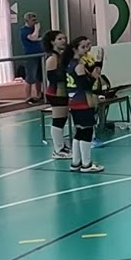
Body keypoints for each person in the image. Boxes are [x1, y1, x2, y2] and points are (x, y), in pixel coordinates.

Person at [65, 36, 104, 173]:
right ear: (75, 48)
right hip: (82, 100)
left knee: (79, 131)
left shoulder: (70, 63)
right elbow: (85, 86)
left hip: (73, 101)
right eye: (83, 47)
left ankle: (75, 162)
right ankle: (86, 164)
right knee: (86, 131)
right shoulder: (79, 66)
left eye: (88, 45)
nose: (87, 49)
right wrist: (93, 76)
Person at [41, 30, 71, 159]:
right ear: (52, 42)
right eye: (60, 39)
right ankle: (58, 149)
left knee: (63, 119)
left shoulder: (62, 56)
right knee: (58, 120)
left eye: (64, 38)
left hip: (63, 91)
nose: (63, 41)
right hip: (56, 92)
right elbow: (53, 78)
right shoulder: (52, 58)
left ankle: (62, 146)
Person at [18, 12, 43, 104]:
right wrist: (36, 29)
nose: (35, 22)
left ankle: (39, 94)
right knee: (30, 76)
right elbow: (33, 38)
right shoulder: (24, 30)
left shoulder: (33, 29)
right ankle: (28, 97)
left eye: (35, 20)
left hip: (39, 55)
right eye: (33, 20)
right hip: (30, 56)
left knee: (39, 77)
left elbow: (38, 38)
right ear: (27, 20)